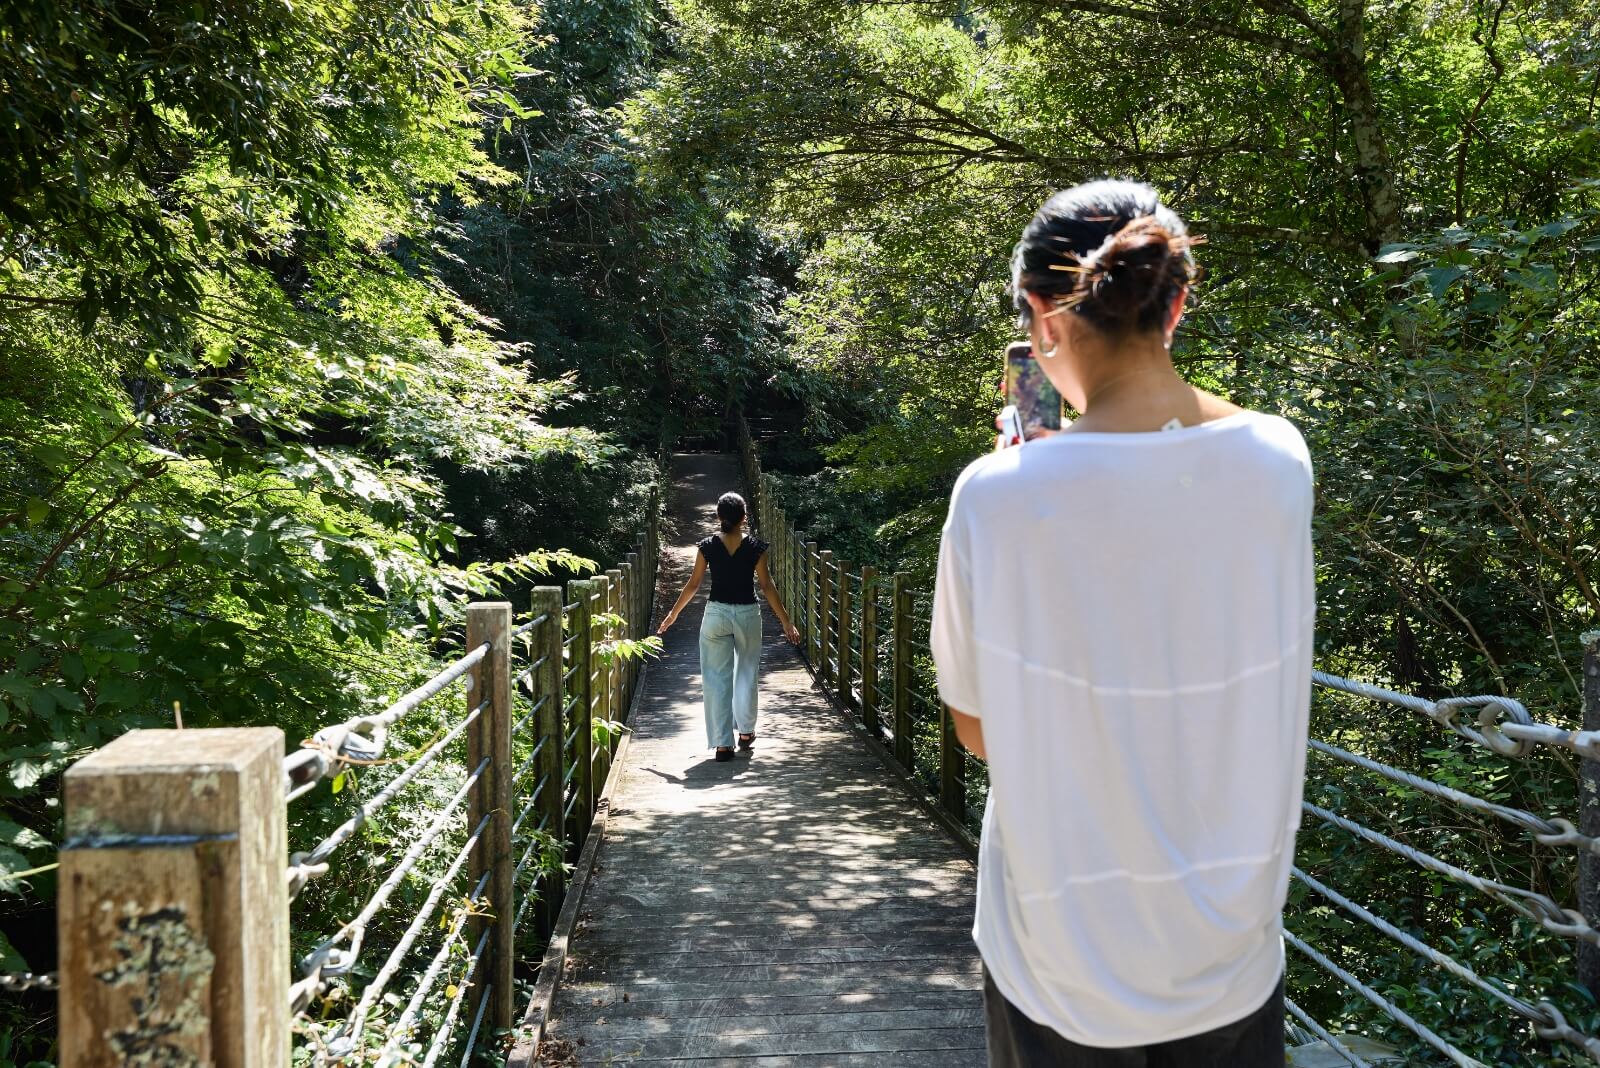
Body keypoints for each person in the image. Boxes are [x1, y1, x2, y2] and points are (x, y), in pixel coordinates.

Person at [931, 180, 1314, 1066]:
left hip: (1058, 960)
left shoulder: (998, 499)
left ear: (1040, 316)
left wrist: (1025, 462)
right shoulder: (1280, 459)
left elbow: (979, 731)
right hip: (1231, 953)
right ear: (1176, 303)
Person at [658, 491, 801, 761]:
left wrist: (673, 614)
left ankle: (723, 745)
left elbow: (693, 584)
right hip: (747, 614)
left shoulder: (707, 546)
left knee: (714, 679)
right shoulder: (756, 547)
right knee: (746, 672)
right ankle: (745, 732)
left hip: (716, 615)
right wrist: (786, 622)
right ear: (744, 518)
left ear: (718, 516)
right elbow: (767, 586)